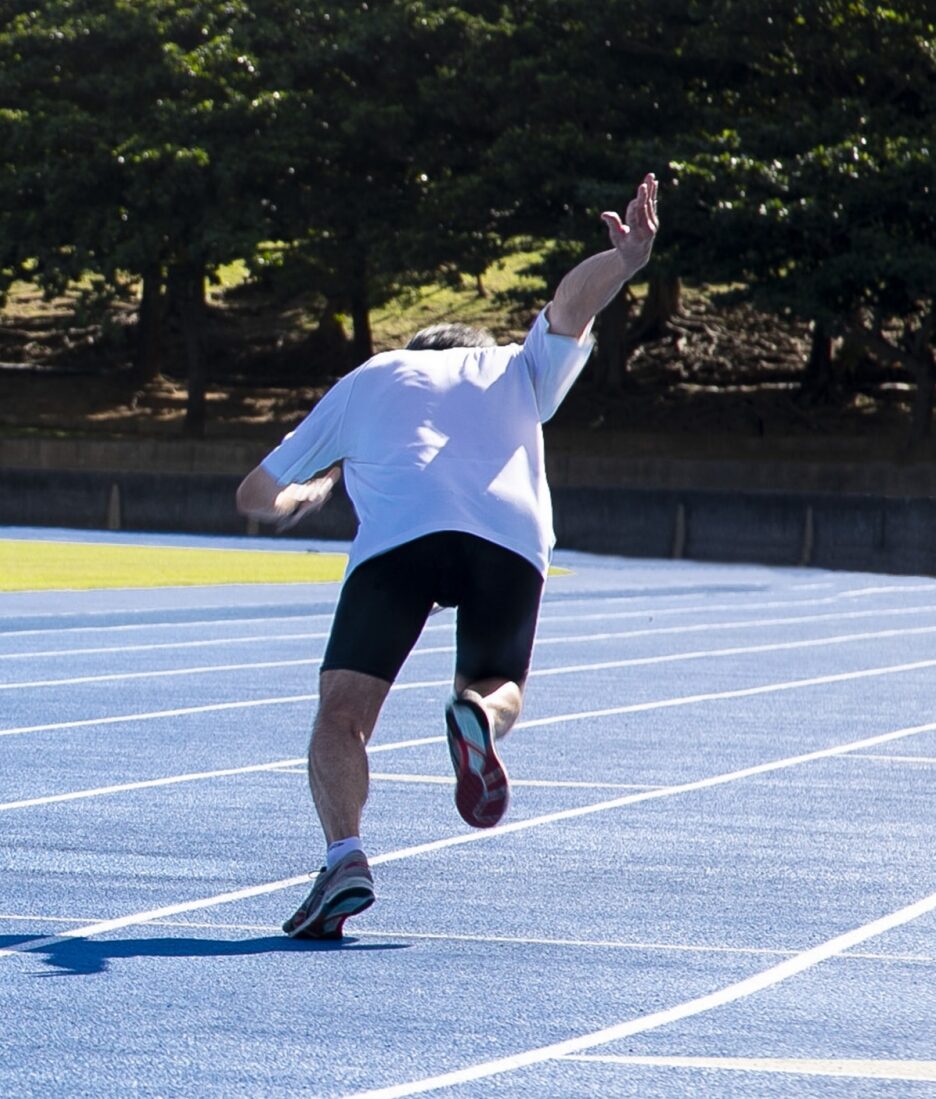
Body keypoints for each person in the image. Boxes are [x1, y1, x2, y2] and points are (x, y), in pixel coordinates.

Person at [237, 174, 660, 940]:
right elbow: (571, 306)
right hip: (509, 536)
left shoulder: (370, 376)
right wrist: (626, 260)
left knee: (343, 712)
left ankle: (345, 855)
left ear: (413, 349)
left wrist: (303, 500)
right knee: (498, 683)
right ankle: (477, 716)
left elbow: (255, 491)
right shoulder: (514, 366)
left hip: (401, 537)